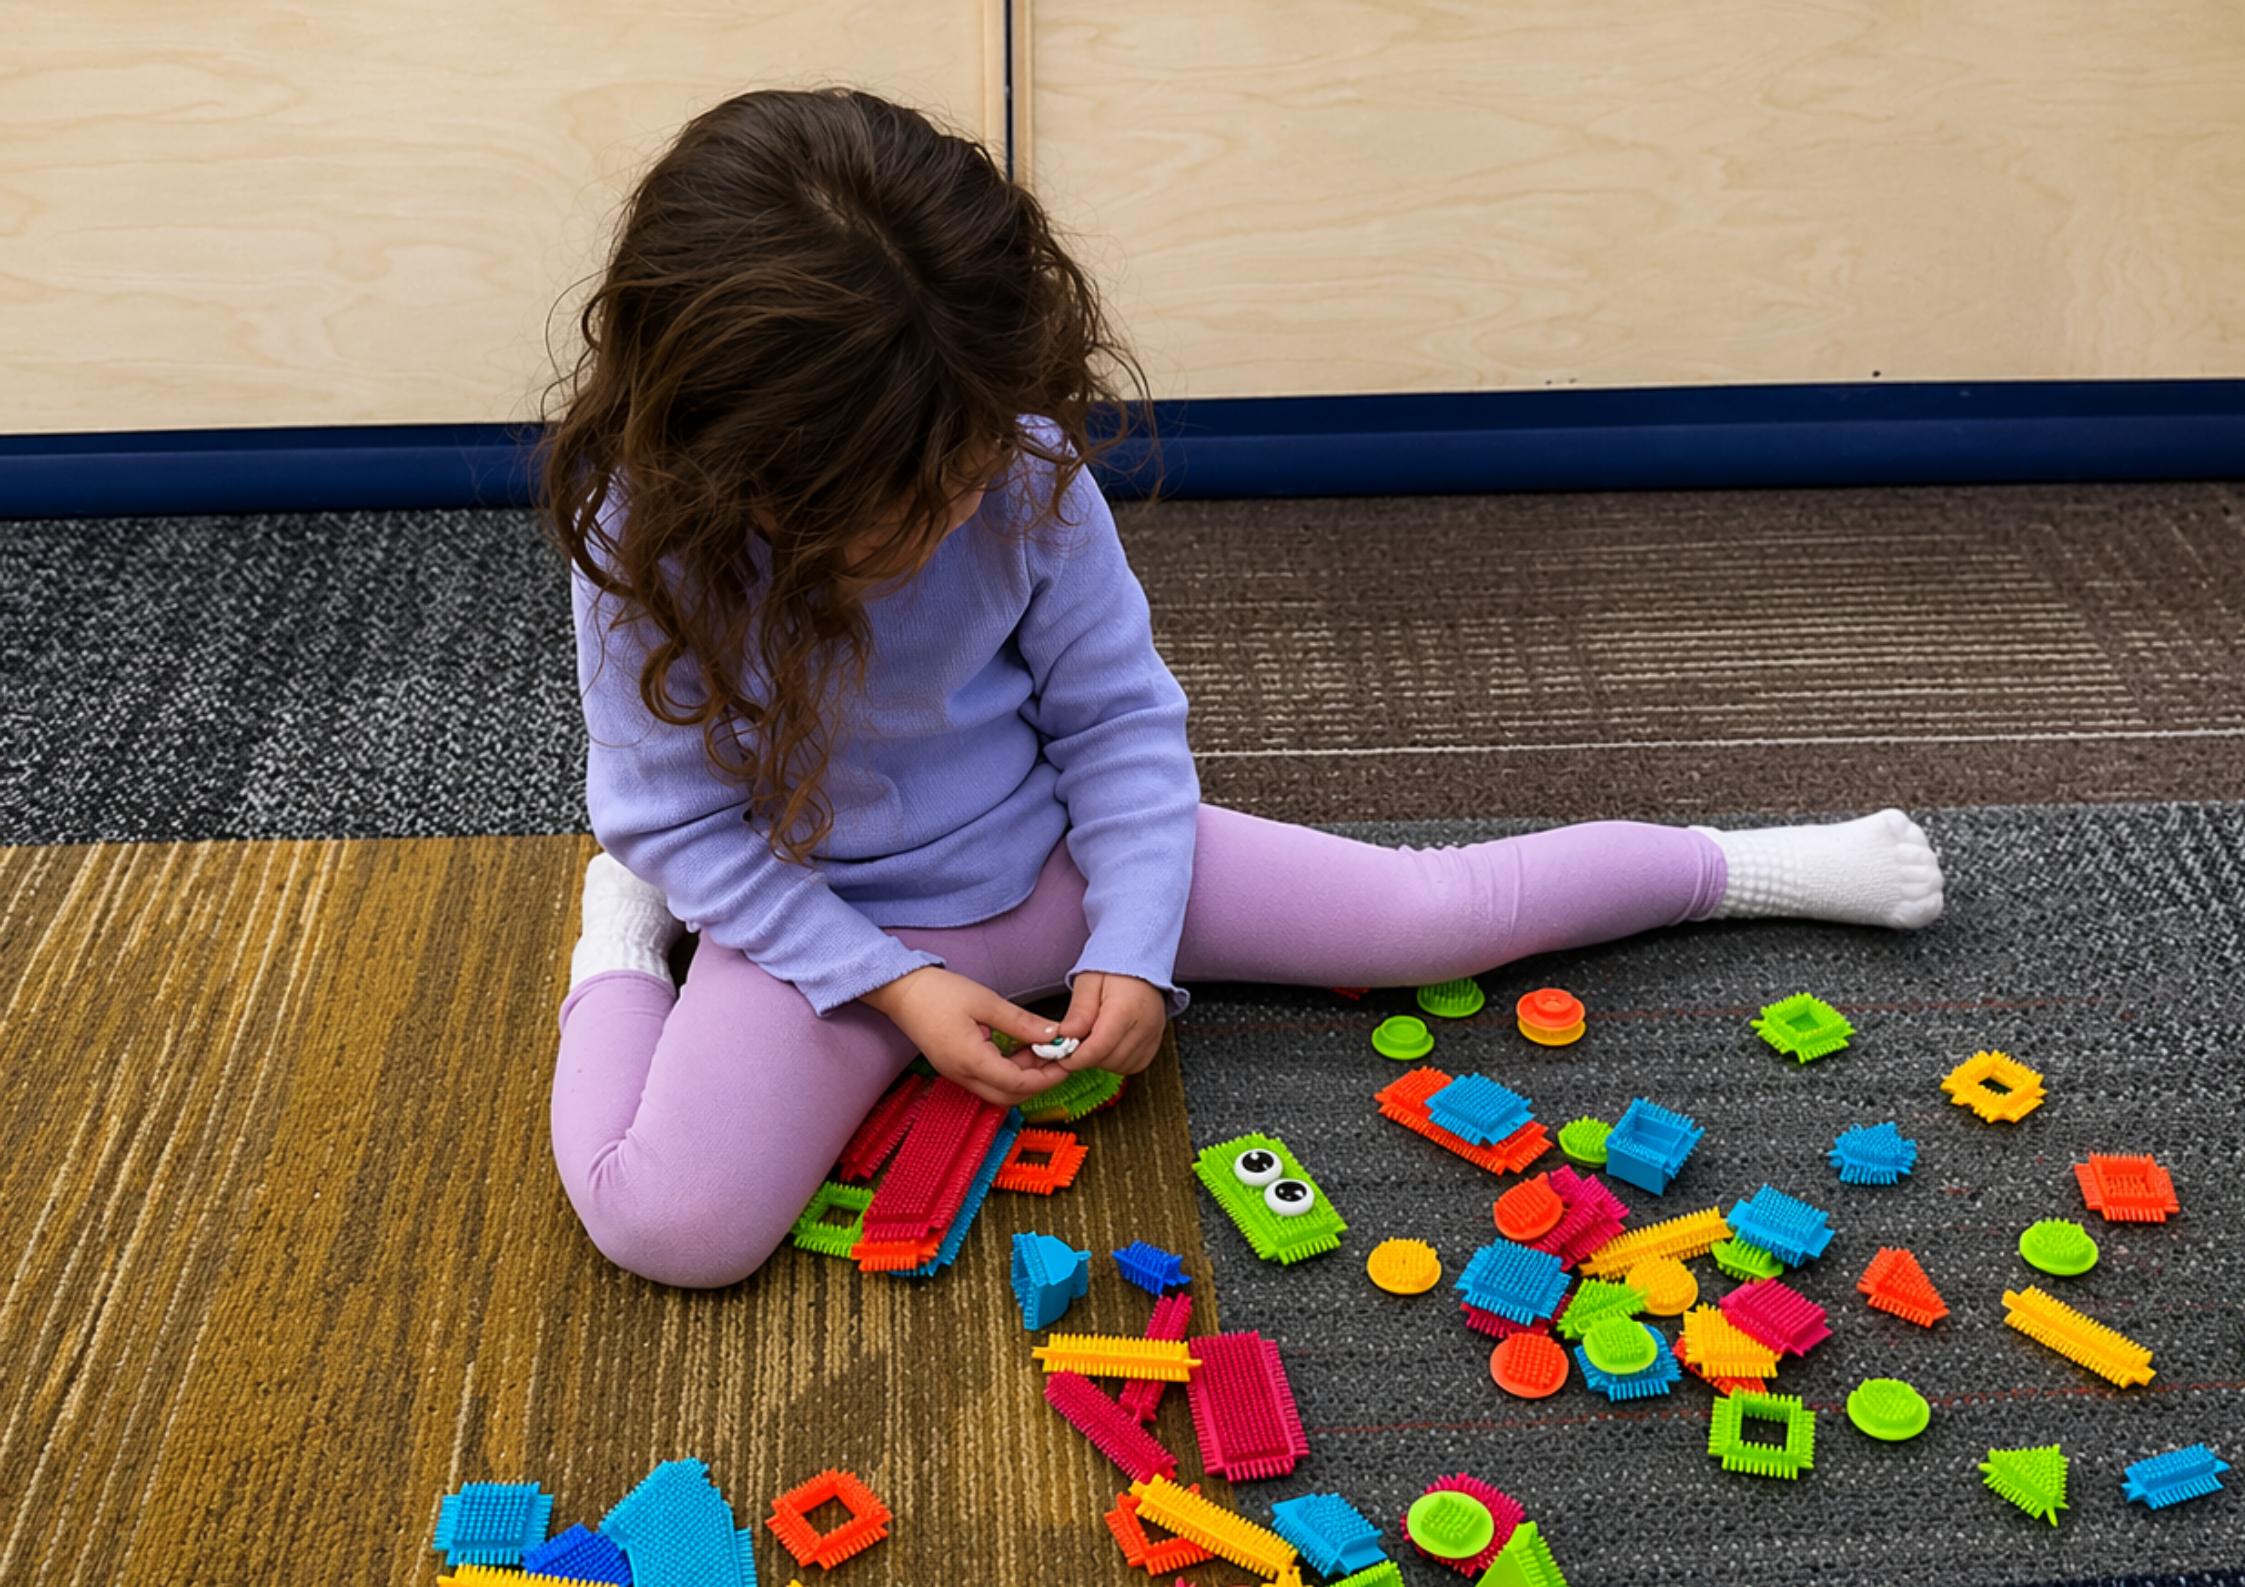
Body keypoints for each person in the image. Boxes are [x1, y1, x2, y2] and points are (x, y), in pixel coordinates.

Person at [541, 87, 1943, 1290]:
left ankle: (1743, 865)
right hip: (819, 926)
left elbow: (1120, 727)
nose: (980, 491)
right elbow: (679, 821)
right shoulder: (642, 541)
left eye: (981, 458)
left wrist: (1138, 937)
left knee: (1432, 913)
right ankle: (619, 945)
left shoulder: (1013, 461)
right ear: (759, 480)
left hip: (1061, 866)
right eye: (928, 493)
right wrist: (893, 987)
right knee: (671, 1223)